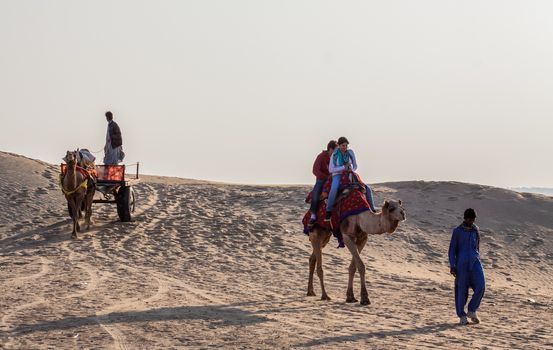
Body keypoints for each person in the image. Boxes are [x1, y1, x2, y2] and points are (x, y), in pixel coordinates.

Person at [324, 137, 376, 221]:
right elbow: (331, 169)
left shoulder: (350, 153)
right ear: (339, 145)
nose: (344, 147)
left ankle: (372, 209)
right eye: (342, 145)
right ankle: (328, 211)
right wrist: (343, 167)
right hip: (338, 175)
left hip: (349, 173)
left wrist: (351, 167)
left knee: (366, 188)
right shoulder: (335, 154)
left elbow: (355, 166)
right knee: (334, 188)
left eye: (345, 145)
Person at [448, 208, 486, 325]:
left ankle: (472, 310)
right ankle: (462, 315)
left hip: (475, 262)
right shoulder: (457, 231)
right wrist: (452, 265)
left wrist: (477, 258)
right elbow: (452, 250)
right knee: (461, 290)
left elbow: (477, 247)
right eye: (470, 219)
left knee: (481, 285)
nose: (472, 221)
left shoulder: (476, 230)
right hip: (461, 264)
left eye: (473, 219)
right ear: (465, 218)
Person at [308, 140, 337, 226]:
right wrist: (327, 177)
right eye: (335, 150)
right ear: (330, 149)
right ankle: (313, 214)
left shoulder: (336, 158)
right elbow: (315, 171)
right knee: (316, 193)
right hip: (323, 179)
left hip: (334, 179)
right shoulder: (321, 157)